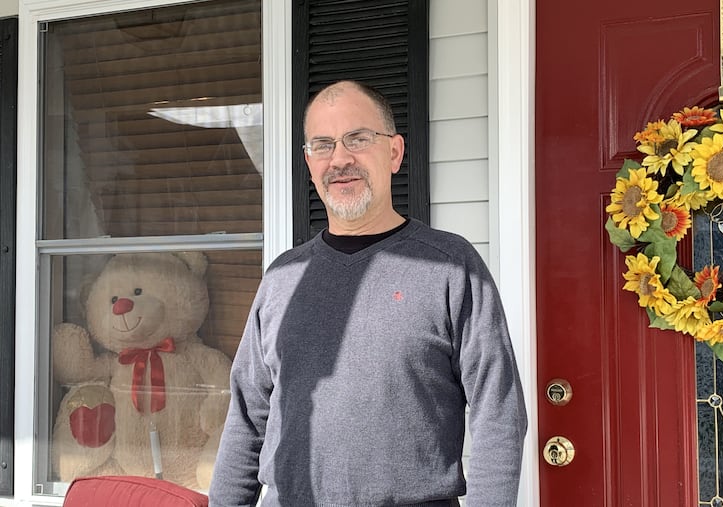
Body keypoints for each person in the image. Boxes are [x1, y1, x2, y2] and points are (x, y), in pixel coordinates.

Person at [209, 80, 527, 506]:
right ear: (308, 161)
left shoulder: (450, 265)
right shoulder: (283, 277)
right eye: (322, 145)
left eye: (357, 139)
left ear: (394, 152)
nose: (340, 159)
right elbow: (248, 417)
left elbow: (498, 412)